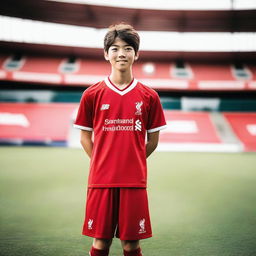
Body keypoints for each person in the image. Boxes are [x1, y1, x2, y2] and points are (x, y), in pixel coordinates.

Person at [74, 23, 166, 256]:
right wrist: (102, 161)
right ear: (106, 54)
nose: (121, 53)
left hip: (134, 181)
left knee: (131, 244)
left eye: (127, 48)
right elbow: (85, 136)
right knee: (100, 241)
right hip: (101, 179)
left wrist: (131, 161)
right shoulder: (92, 94)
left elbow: (153, 141)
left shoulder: (149, 96)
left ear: (136, 53)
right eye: (114, 49)